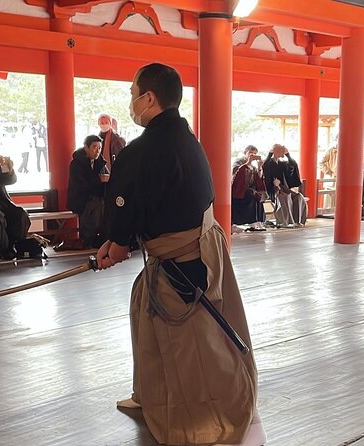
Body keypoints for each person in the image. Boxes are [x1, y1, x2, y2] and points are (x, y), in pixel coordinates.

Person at [95, 63, 265, 445]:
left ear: (149, 98)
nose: (131, 102)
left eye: (133, 93)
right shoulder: (188, 137)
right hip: (206, 249)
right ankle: (149, 394)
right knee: (147, 314)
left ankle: (205, 416)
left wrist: (117, 243)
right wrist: (119, 239)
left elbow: (124, 210)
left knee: (191, 342)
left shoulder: (140, 152)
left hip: (181, 262)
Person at [65, 134, 109, 248]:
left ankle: (103, 237)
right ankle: (89, 237)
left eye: (99, 148)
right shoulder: (76, 163)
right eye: (94, 147)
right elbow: (80, 185)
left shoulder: (100, 163)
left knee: (106, 204)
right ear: (86, 148)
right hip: (80, 199)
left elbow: (107, 178)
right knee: (97, 205)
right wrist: (99, 180)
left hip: (97, 198)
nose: (97, 151)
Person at [263, 143, 307, 227]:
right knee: (284, 197)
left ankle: (297, 221)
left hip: (284, 189)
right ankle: (285, 222)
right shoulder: (269, 163)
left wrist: (288, 155)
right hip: (273, 190)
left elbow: (292, 166)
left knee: (298, 197)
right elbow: (265, 167)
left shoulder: (282, 164)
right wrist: (270, 154)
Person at [231, 145, 266, 231]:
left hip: (248, 189)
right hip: (239, 190)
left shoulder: (253, 166)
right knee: (252, 196)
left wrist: (259, 167)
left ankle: (258, 220)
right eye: (251, 153)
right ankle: (252, 222)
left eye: (254, 154)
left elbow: (257, 178)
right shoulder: (238, 161)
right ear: (245, 153)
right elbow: (236, 174)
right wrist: (248, 163)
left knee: (259, 197)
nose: (252, 155)